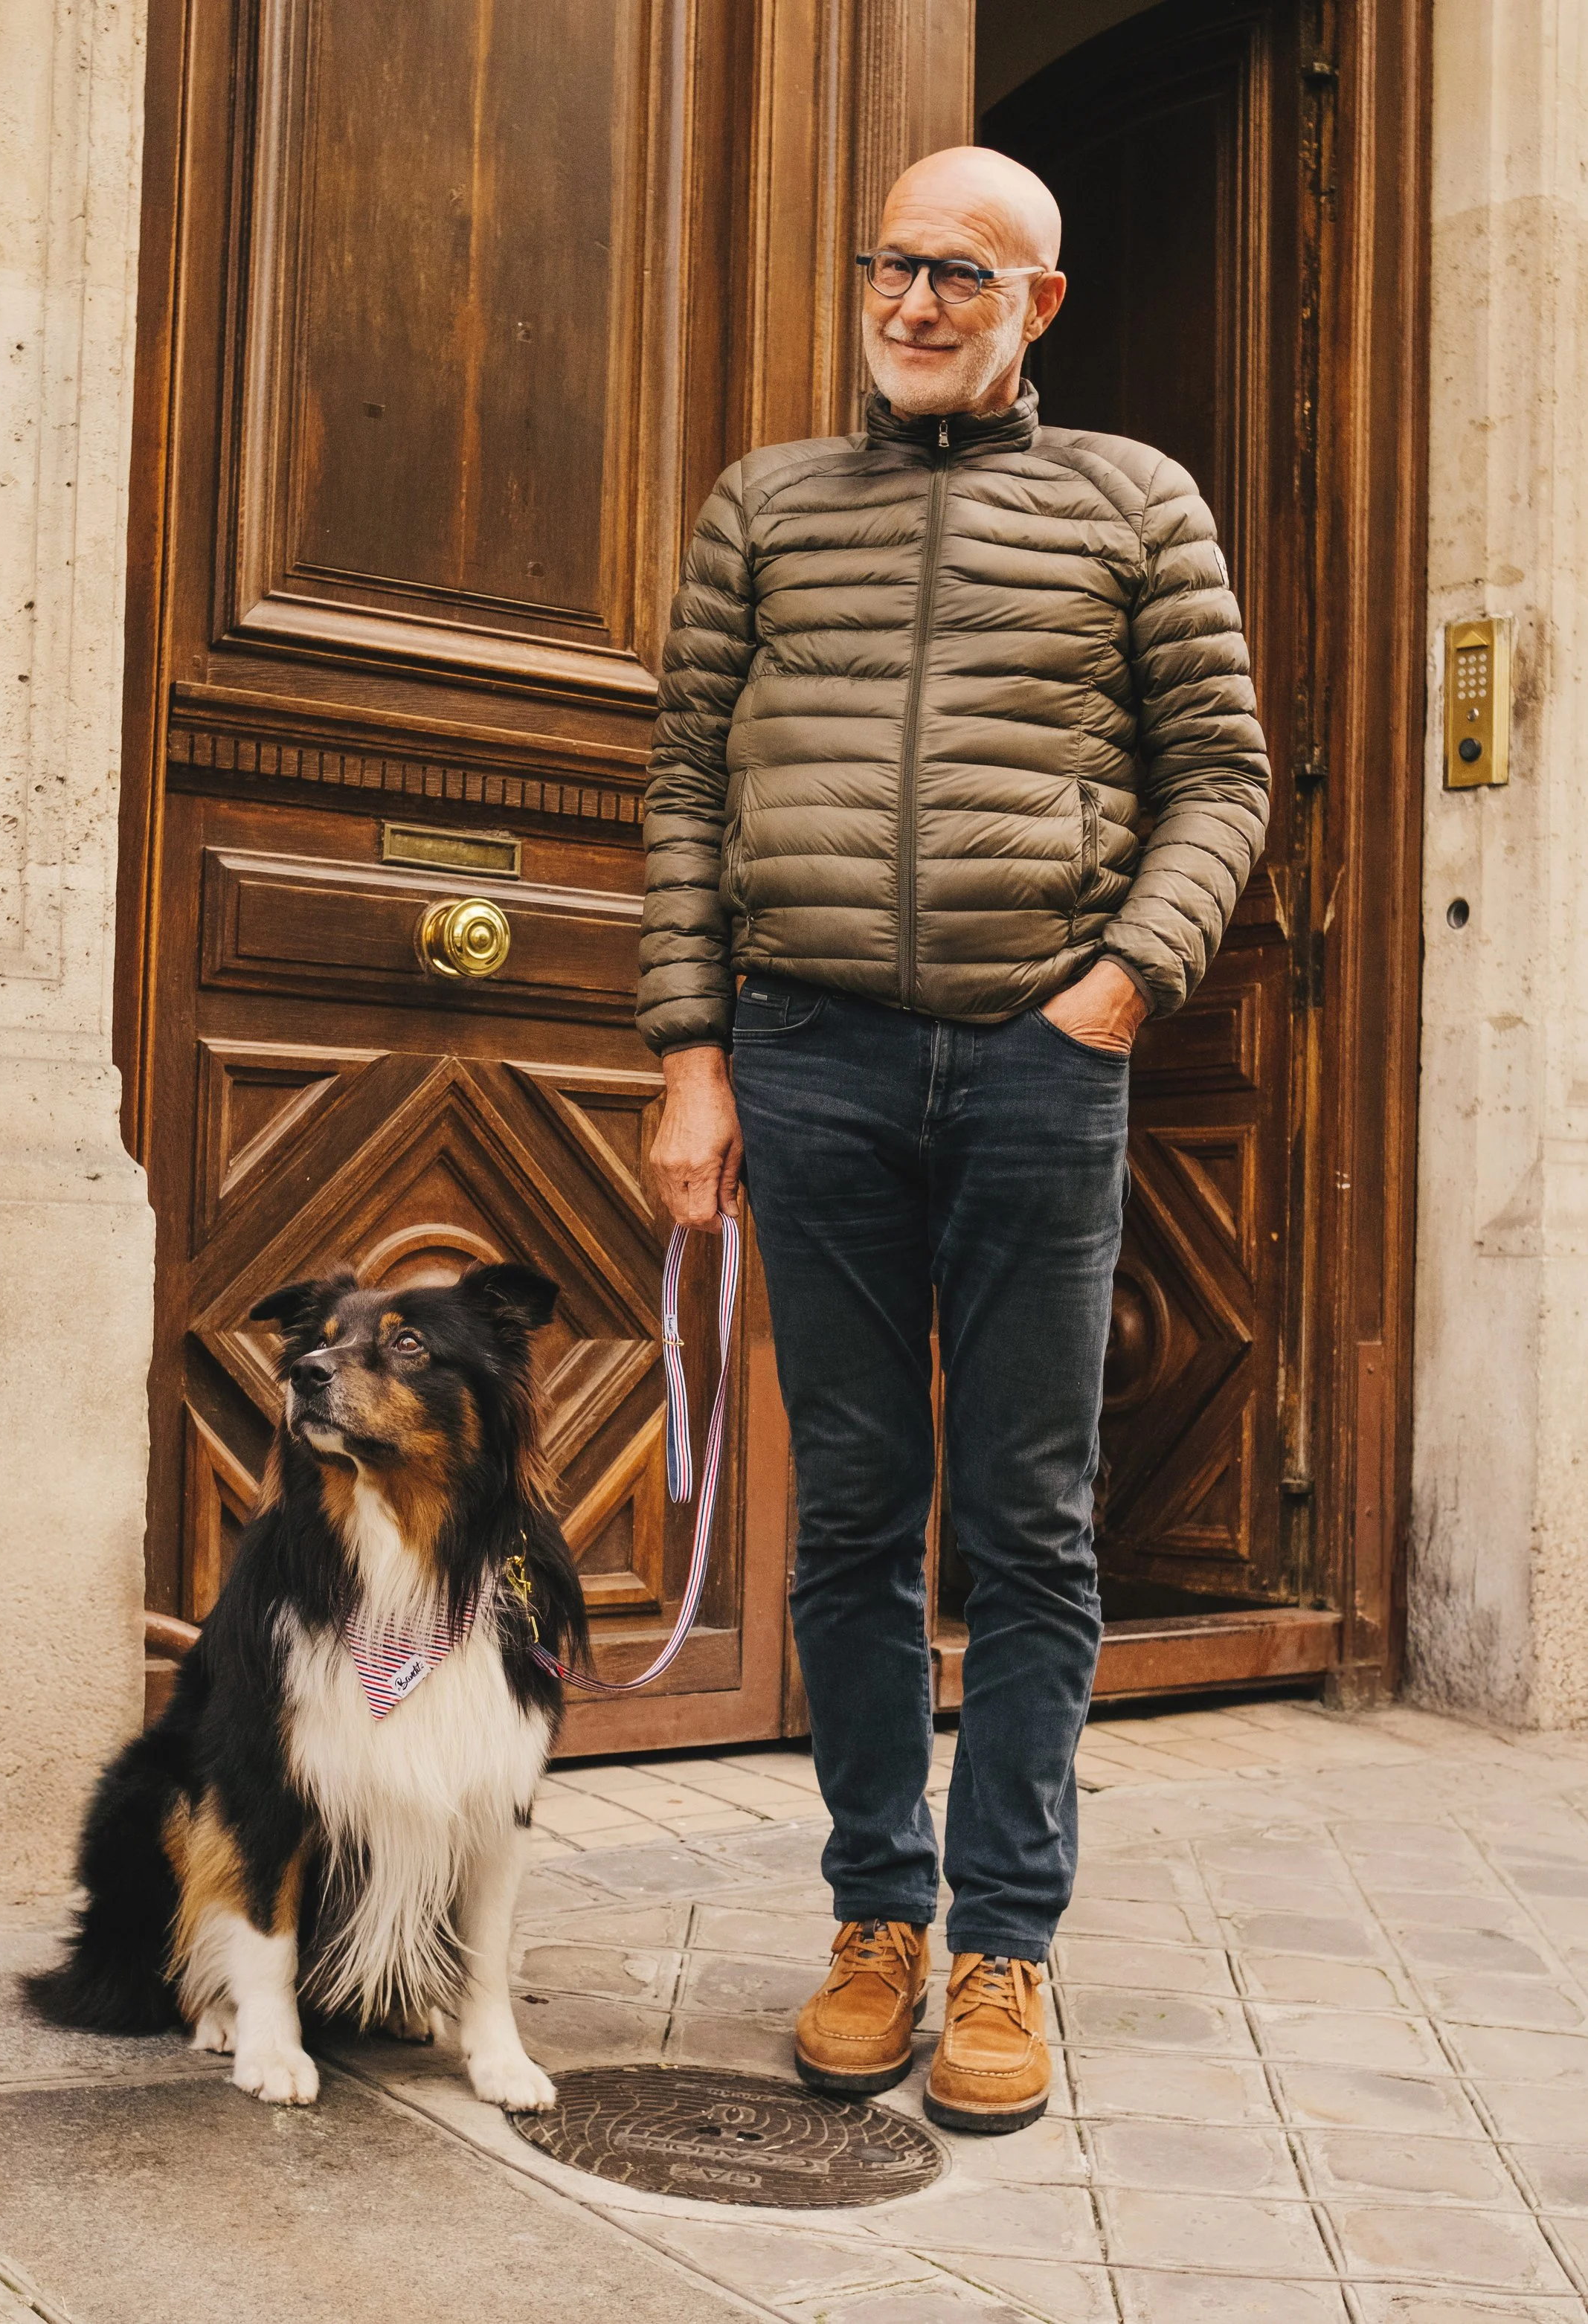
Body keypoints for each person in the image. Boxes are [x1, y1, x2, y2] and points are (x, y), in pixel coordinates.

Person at [637, 146, 1269, 2134]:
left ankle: (1002, 1938)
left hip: (1030, 1065)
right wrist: (691, 1054)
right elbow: (680, 796)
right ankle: (871, 1916)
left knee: (1025, 1526)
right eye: (890, 263)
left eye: (960, 276)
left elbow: (1221, 777)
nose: (912, 301)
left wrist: (1117, 986)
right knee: (843, 1516)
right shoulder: (763, 508)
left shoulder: (1133, 502)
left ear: (1036, 308)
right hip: (806, 1053)